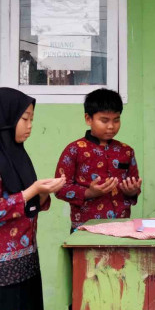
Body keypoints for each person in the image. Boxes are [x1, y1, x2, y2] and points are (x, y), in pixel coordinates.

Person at [0, 87, 65, 310]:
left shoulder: (17, 154)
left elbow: (30, 204)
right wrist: (32, 191)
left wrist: (46, 193)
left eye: (32, 119)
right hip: (3, 270)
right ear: (6, 117)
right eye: (24, 118)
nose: (29, 126)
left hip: (27, 260)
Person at [55, 88, 142, 231]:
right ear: (88, 119)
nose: (111, 126)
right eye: (104, 120)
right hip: (84, 229)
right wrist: (89, 193)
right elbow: (59, 188)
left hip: (120, 228)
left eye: (116, 120)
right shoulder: (74, 149)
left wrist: (132, 191)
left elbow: (134, 185)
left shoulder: (126, 151)